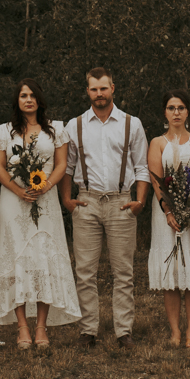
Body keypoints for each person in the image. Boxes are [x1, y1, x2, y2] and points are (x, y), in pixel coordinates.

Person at [59, 67, 150, 349]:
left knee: (123, 271)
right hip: (87, 200)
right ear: (87, 92)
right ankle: (88, 330)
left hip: (122, 201)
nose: (99, 94)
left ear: (113, 88)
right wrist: (67, 200)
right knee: (85, 271)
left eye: (104, 88)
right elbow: (67, 167)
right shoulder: (74, 125)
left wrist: (139, 201)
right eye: (94, 89)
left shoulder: (130, 123)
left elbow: (142, 166)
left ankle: (124, 331)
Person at [0, 79, 80, 349]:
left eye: (32, 95)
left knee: (43, 259)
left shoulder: (56, 130)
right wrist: (19, 191)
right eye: (22, 95)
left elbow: (62, 164)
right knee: (16, 258)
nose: (28, 99)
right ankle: (22, 327)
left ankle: (41, 326)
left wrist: (46, 185)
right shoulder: (3, 131)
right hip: (13, 202)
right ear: (16, 101)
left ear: (39, 99)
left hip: (46, 201)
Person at [145, 89, 190, 348]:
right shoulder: (157, 143)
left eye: (181, 108)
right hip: (166, 215)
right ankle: (175, 331)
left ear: (188, 111)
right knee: (172, 274)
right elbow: (156, 181)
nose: (176, 112)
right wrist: (168, 210)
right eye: (171, 107)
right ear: (164, 112)